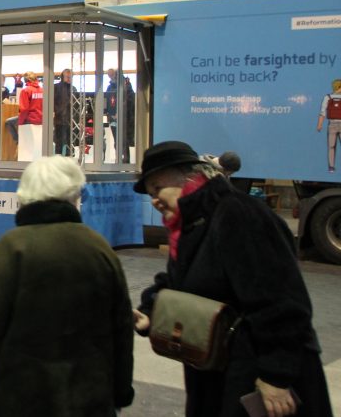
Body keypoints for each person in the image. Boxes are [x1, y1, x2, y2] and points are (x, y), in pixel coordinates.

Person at [133, 141, 332, 417]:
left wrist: (276, 375)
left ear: (188, 176)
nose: (154, 200)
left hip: (258, 375)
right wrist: (151, 311)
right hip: (221, 370)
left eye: (157, 188)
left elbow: (281, 299)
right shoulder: (193, 223)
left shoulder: (238, 214)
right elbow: (182, 280)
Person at [0, 156, 135, 416]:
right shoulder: (100, 249)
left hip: (21, 400)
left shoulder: (11, 250)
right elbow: (121, 330)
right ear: (75, 194)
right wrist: (120, 391)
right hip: (90, 400)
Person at [315, 78, 341, 172]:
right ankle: (331, 166)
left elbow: (322, 112)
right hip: (335, 124)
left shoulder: (327, 97)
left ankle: (331, 167)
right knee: (331, 146)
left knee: (331, 146)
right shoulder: (328, 97)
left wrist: (319, 125)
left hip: (332, 124)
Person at [53, 69, 77, 157]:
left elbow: (76, 105)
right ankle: (58, 161)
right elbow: (52, 102)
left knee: (70, 142)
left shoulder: (73, 89)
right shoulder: (55, 87)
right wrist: (55, 112)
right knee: (59, 142)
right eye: (67, 77)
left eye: (71, 77)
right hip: (59, 119)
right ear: (63, 77)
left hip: (70, 120)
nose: (69, 79)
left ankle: (68, 160)